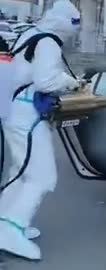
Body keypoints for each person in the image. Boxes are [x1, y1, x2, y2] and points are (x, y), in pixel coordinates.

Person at [0, 0, 80, 260]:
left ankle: (5, 221)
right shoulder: (49, 42)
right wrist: (72, 82)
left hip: (13, 110)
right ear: (67, 25)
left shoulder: (31, 33)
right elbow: (46, 80)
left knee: (20, 171)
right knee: (43, 177)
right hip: (27, 115)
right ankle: (12, 229)